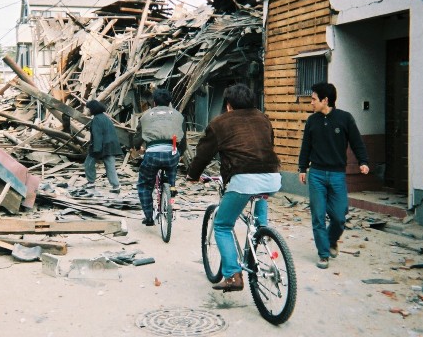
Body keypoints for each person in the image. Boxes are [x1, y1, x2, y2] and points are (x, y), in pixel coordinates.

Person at [187, 83, 280, 291]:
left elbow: (204, 153)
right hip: (273, 177)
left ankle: (232, 276)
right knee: (258, 207)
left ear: (228, 105)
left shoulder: (220, 123)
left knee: (222, 225)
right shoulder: (263, 118)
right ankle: (261, 234)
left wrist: (193, 175)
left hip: (244, 179)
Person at [298, 82, 369, 270]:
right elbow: (306, 146)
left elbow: (357, 142)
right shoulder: (312, 121)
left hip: (337, 174)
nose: (311, 103)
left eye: (314, 99)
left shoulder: (345, 119)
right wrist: (302, 168)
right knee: (318, 216)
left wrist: (363, 161)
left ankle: (331, 240)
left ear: (325, 100)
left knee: (339, 216)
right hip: (317, 175)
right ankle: (323, 254)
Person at [134, 89, 186, 226]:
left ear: (154, 102)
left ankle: (149, 217)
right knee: (171, 172)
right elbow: (183, 140)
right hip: (172, 153)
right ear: (169, 102)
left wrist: (136, 146)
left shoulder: (145, 116)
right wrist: (180, 152)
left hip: (152, 154)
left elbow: (138, 137)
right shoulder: (178, 116)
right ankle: (171, 190)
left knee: (144, 185)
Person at [84, 99, 122, 194]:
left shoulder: (96, 119)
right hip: (110, 145)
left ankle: (91, 182)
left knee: (88, 163)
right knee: (110, 166)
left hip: (101, 145)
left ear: (91, 109)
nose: (85, 110)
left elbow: (98, 135)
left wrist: (96, 149)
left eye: (86, 108)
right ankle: (116, 185)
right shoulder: (104, 117)